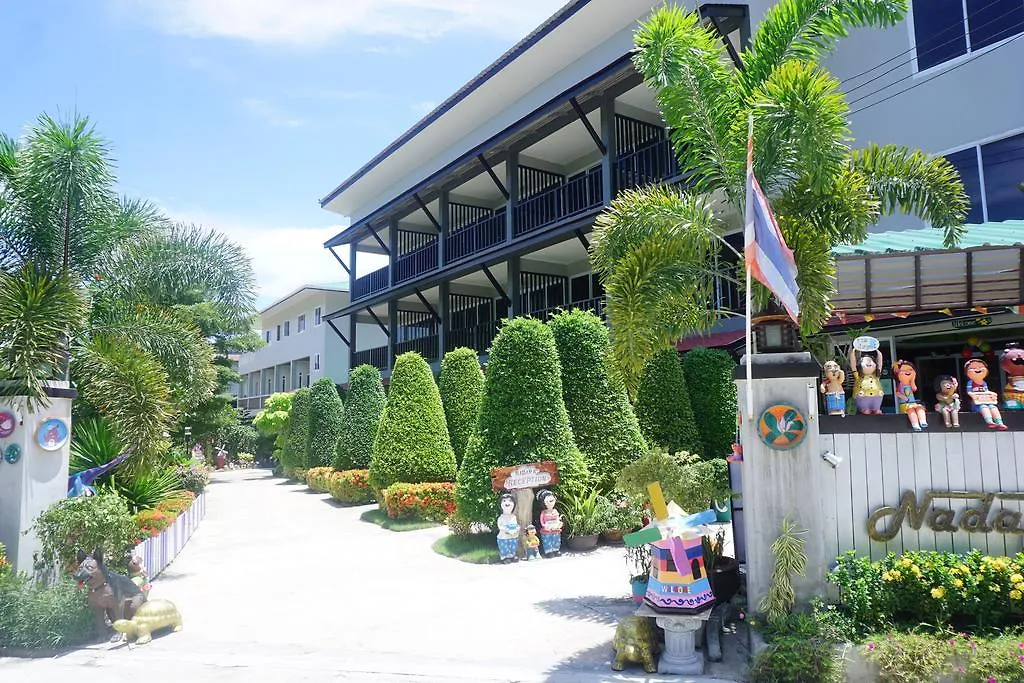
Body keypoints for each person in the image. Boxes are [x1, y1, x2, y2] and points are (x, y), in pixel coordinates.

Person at [848, 347, 884, 414]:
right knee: (865, 409)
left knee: (876, 408)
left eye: (871, 361)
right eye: (865, 361)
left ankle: (876, 408)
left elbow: (880, 364)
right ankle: (864, 409)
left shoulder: (876, 376)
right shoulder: (858, 376)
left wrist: (878, 353)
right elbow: (853, 365)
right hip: (863, 396)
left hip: (877, 395)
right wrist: (853, 352)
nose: (869, 362)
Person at [537, 489, 563, 557]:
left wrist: (558, 523)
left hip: (555, 527)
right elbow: (541, 520)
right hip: (547, 528)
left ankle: (556, 550)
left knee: (556, 539)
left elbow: (557, 517)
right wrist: (544, 525)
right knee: (547, 540)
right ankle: (549, 551)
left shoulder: (555, 511)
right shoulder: (544, 512)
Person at [496, 493, 520, 563]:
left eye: (510, 501)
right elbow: (500, 526)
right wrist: (506, 530)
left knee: (512, 546)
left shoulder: (513, 517)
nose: (507, 503)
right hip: (504, 536)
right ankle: (505, 557)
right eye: (504, 501)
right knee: (505, 547)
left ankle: (512, 556)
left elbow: (515, 524)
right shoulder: (501, 518)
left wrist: (516, 528)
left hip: (513, 535)